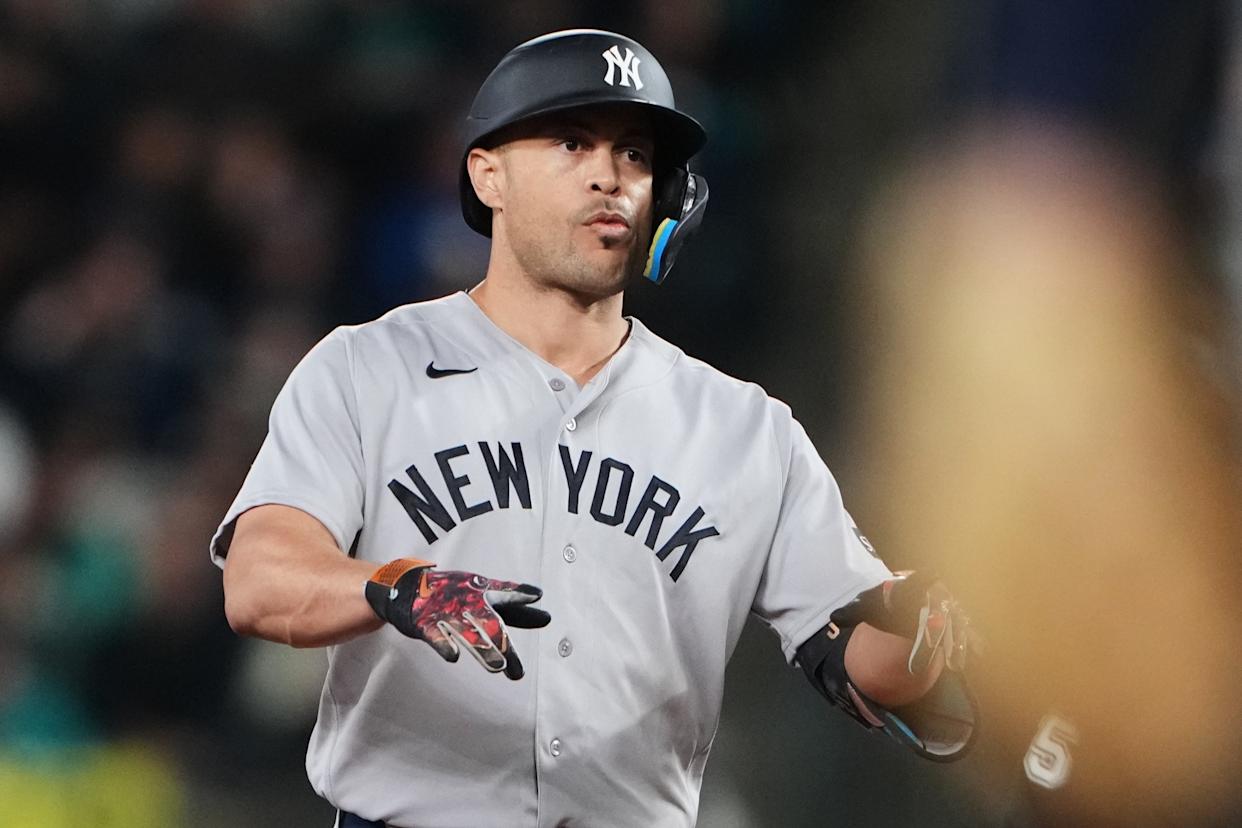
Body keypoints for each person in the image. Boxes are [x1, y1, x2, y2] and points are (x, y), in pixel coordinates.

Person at [212, 29, 975, 828]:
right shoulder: (368, 370)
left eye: (637, 155)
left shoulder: (746, 428)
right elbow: (261, 579)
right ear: (488, 174)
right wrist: (392, 585)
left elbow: (857, 659)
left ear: (671, 199)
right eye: (572, 142)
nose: (610, 175)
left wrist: (921, 625)